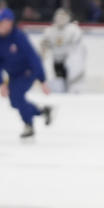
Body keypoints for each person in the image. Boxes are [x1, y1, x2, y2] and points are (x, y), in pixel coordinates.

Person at [0, 8, 53, 139]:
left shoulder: (19, 37)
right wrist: (1, 83)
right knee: (14, 102)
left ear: (12, 23)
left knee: (17, 97)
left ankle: (29, 125)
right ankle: (42, 111)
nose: (4, 25)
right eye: (1, 22)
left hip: (28, 71)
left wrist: (42, 80)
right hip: (14, 75)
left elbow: (33, 57)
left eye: (7, 22)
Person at [40, 9, 85, 93]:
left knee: (71, 78)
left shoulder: (73, 30)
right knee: (56, 80)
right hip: (55, 58)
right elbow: (44, 44)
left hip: (68, 58)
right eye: (58, 17)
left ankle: (72, 91)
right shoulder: (50, 30)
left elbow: (77, 47)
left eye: (62, 17)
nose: (60, 19)